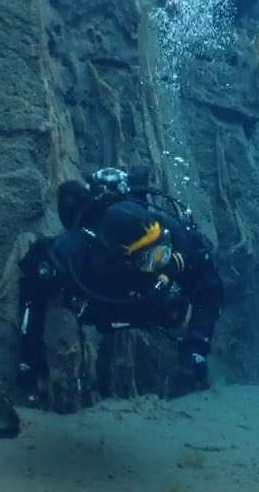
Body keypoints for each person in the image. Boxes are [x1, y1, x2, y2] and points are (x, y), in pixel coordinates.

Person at [16, 165, 222, 400]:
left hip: (144, 306)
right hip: (101, 300)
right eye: (149, 258)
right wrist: (29, 356)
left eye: (162, 249)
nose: (161, 262)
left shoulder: (173, 239)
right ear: (121, 259)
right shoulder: (72, 256)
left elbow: (209, 287)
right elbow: (32, 283)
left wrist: (197, 346)